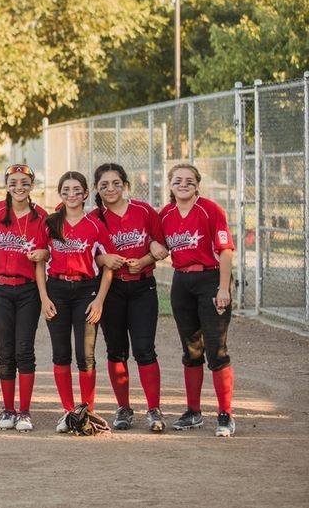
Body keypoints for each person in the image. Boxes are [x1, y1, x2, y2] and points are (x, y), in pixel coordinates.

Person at [90, 163, 169, 432]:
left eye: (115, 183)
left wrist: (144, 259)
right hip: (112, 290)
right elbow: (87, 254)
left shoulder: (144, 210)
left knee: (145, 350)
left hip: (142, 287)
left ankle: (154, 409)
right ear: (96, 189)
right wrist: (103, 258)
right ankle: (123, 408)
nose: (110, 189)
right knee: (116, 350)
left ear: (125, 185)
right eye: (103, 185)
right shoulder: (95, 217)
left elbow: (160, 245)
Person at [160, 163, 237, 437]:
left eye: (189, 181)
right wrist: (153, 248)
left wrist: (224, 288)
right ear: (170, 184)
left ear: (197, 185)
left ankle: (225, 414)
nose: (183, 184)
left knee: (216, 350)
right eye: (178, 180)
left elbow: (225, 250)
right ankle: (193, 411)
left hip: (211, 280)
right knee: (191, 350)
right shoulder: (165, 214)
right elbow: (156, 244)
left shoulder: (210, 209)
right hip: (181, 282)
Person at [38, 171, 115, 433]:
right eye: (66, 190)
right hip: (56, 290)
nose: (71, 194)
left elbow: (107, 265)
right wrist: (44, 297)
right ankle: (68, 411)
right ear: (60, 194)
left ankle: (86, 412)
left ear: (85, 194)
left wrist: (100, 301)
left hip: (86, 291)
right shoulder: (50, 223)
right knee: (61, 354)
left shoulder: (95, 224)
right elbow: (40, 261)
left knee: (86, 355)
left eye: (76, 190)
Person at [0, 164, 49, 432]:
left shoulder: (41, 216)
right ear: (6, 184)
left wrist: (43, 254)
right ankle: (8, 409)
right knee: (5, 350)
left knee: (24, 350)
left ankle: (24, 411)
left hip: (28, 289)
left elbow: (48, 251)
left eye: (24, 182)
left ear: (32, 185)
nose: (19, 187)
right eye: (13, 182)